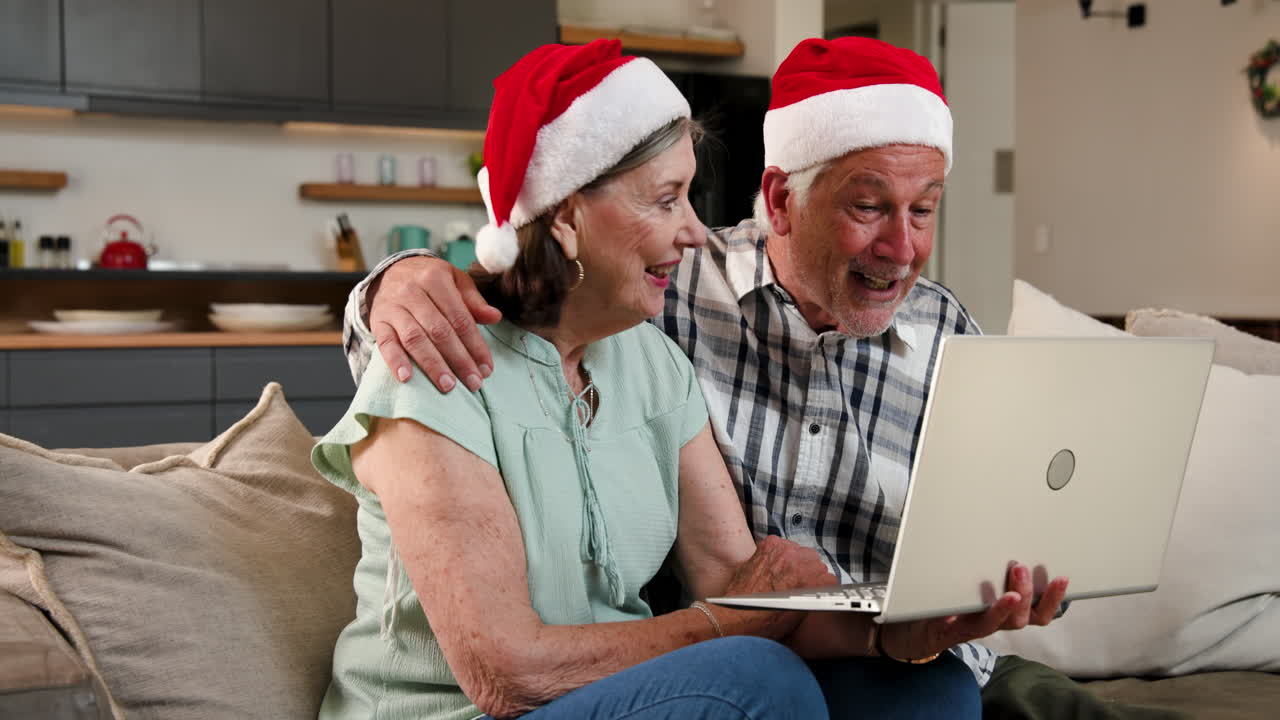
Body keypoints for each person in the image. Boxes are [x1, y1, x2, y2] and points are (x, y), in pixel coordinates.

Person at [343, 38, 1094, 717]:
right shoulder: (440, 364)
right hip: (485, 709)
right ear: (566, 217)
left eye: (924, 211)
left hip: (634, 691)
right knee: (760, 678)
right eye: (668, 200)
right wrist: (392, 280)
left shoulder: (648, 356)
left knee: (928, 690)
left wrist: (904, 636)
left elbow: (738, 579)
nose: (693, 229)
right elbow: (508, 674)